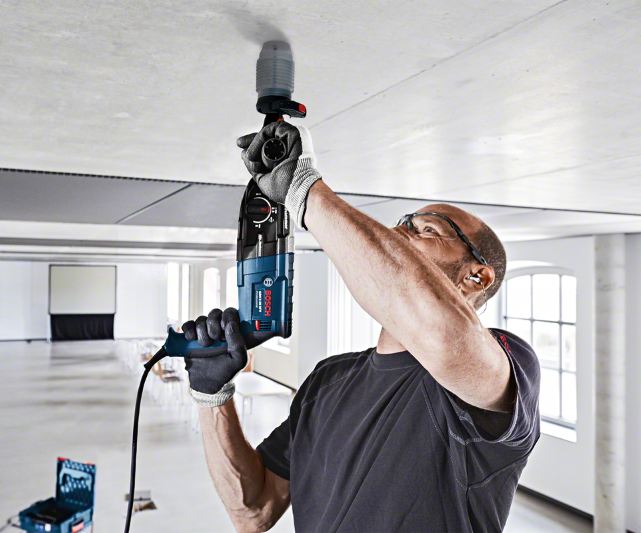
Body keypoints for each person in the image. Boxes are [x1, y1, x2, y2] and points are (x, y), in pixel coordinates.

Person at [180, 122, 541, 532]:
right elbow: (253, 512)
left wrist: (304, 190)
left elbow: (439, 333)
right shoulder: (328, 378)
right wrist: (212, 395)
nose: (399, 232)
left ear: (476, 277)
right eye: (402, 224)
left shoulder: (509, 364)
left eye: (428, 230)